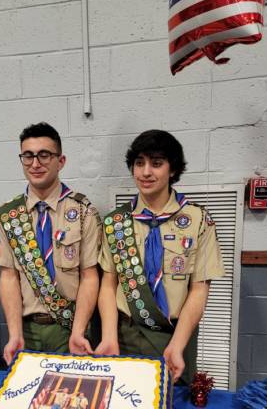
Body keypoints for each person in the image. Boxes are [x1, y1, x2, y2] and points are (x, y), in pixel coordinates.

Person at [95, 130, 224, 384]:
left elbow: (199, 290)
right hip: (126, 334)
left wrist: (178, 344)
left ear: (172, 169)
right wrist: (109, 336)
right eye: (139, 163)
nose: (146, 172)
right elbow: (108, 285)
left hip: (175, 336)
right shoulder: (116, 222)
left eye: (156, 163)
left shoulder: (198, 221)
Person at [0, 122, 101, 364]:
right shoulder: (9, 215)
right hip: (26, 329)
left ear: (60, 161)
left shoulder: (83, 212)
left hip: (69, 328)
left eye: (44, 155)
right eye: (28, 156)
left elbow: (90, 276)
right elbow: (8, 277)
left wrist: (78, 331)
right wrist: (14, 333)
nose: (35, 163)